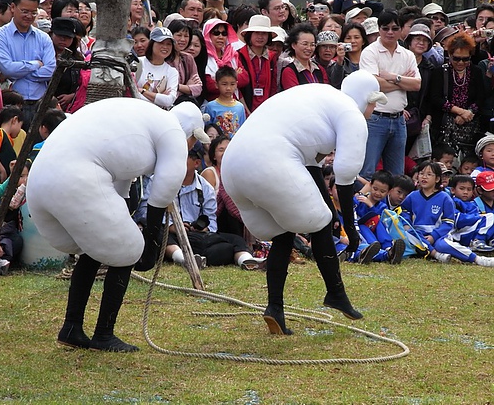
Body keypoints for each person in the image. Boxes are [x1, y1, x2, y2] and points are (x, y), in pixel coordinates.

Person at [26, 99, 210, 352]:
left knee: (97, 248)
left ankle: (71, 327)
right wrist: (150, 240)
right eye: (193, 142)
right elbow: (166, 186)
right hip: (76, 175)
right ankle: (104, 334)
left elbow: (121, 181)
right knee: (127, 250)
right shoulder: (173, 131)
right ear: (191, 133)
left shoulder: (140, 115)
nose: (190, 148)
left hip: (40, 182)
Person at [221, 70, 388, 334]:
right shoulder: (349, 113)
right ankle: (336, 293)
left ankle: (274, 307)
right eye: (373, 102)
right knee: (318, 221)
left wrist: (333, 214)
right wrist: (351, 231)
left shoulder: (317, 97)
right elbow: (345, 182)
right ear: (365, 99)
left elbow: (312, 170)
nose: (374, 108)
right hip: (267, 160)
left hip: (232, 167)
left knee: (284, 231)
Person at [157, 146, 262, 269]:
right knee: (157, 231)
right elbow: (147, 212)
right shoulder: (160, 181)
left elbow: (211, 220)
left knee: (235, 240)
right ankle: (183, 259)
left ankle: (246, 261)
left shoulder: (205, 187)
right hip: (172, 236)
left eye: (182, 159)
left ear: (196, 163)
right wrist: (172, 226)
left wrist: (204, 229)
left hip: (198, 237)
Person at [359, 9, 421, 179]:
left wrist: (393, 77)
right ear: (379, 29)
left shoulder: (407, 54)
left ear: (401, 30)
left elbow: (416, 84)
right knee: (367, 172)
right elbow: (372, 84)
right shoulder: (370, 52)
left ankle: (393, 207)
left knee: (397, 174)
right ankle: (364, 205)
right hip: (375, 118)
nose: (390, 32)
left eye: (395, 28)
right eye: (385, 28)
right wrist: (402, 83)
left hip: (399, 119)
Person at [0, 0, 56, 130]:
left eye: (33, 12)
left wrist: (20, 72)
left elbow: (50, 70)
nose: (29, 16)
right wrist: (36, 64)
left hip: (41, 103)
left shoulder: (44, 38)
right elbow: (7, 69)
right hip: (11, 106)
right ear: (13, 7)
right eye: (24, 11)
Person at [428, 32, 485, 153]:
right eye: (456, 58)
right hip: (444, 127)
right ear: (449, 55)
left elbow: (481, 97)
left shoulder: (476, 72)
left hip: (470, 125)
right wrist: (459, 111)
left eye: (465, 59)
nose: (460, 62)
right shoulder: (440, 72)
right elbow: (435, 98)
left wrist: (468, 113)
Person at [404, 23, 435, 153]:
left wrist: (428, 117)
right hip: (400, 115)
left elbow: (431, 95)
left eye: (425, 40)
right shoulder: (399, 62)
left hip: (420, 119)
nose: (421, 43)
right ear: (410, 41)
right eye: (418, 39)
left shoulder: (430, 68)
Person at [237, 14, 277, 112]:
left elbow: (273, 86)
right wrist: (246, 111)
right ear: (249, 35)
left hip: (266, 109)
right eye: (256, 33)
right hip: (243, 108)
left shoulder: (272, 58)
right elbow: (237, 87)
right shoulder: (238, 55)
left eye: (264, 33)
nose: (260, 37)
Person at [202, 18, 246, 102]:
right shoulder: (203, 57)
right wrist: (234, 76)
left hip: (234, 101)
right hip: (213, 104)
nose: (220, 37)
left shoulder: (232, 54)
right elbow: (209, 86)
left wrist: (219, 80)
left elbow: (245, 79)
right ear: (207, 35)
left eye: (224, 33)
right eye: (216, 33)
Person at [135, 26, 179, 109]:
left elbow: (169, 100)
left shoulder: (172, 72)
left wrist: (142, 91)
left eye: (168, 44)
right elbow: (132, 92)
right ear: (151, 44)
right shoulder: (137, 63)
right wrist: (159, 97)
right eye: (161, 43)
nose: (165, 47)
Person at [49, 17, 85, 111]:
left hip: (71, 107)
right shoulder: (42, 55)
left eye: (68, 37)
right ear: (51, 34)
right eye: (59, 35)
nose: (63, 39)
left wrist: (73, 96)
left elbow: (84, 85)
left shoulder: (78, 59)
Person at [281, 23, 328, 90]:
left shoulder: (320, 69)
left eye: (312, 44)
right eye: (305, 44)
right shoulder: (289, 71)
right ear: (294, 45)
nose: (309, 48)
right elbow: (294, 95)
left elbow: (326, 91)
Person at [0, 106, 23, 184]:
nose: (20, 130)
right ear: (14, 120)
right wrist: (2, 170)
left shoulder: (8, 138)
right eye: (20, 125)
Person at [166, 19, 202, 100]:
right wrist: (186, 87)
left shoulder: (188, 58)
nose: (182, 39)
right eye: (179, 35)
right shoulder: (163, 57)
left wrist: (178, 87)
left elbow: (198, 88)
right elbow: (165, 87)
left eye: (186, 36)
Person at [205, 66, 246, 138]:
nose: (228, 88)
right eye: (224, 84)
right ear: (216, 85)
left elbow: (242, 129)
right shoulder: (210, 106)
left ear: (236, 84)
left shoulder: (240, 107)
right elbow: (207, 129)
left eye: (232, 84)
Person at [328, 23, 368, 89]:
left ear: (363, 41)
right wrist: (340, 61)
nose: (352, 41)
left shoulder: (370, 59)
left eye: (356, 37)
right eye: (348, 38)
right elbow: (335, 83)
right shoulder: (337, 63)